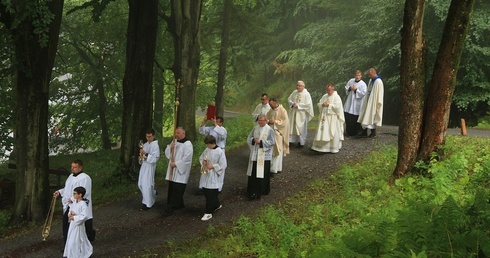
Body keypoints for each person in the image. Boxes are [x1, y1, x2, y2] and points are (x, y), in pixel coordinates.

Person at [54, 159, 95, 248]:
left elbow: (85, 191)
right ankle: (67, 245)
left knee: (80, 225)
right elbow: (67, 188)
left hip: (79, 205)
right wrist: (60, 192)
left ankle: (81, 245)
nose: (72, 169)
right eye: (72, 167)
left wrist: (72, 199)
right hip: (70, 204)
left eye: (75, 167)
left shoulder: (85, 178)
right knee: (67, 225)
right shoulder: (71, 176)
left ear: (80, 167)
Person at [164, 127, 193, 215]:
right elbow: (168, 154)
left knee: (178, 187)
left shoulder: (188, 144)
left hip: (181, 170)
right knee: (172, 186)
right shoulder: (174, 141)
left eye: (178, 133)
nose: (176, 134)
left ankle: (171, 207)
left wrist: (176, 164)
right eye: (175, 132)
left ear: (183, 133)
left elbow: (187, 158)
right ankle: (180, 204)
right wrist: (170, 148)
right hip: (173, 169)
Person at [246, 115, 275, 200]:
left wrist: (261, 142)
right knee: (254, 172)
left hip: (264, 155)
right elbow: (249, 138)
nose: (260, 122)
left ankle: (262, 190)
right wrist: (253, 140)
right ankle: (252, 190)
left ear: (266, 121)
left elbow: (272, 142)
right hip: (255, 153)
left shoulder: (269, 130)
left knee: (262, 173)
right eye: (259, 120)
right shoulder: (255, 128)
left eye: (262, 121)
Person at [199, 135, 227, 221]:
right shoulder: (207, 149)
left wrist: (214, 166)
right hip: (206, 173)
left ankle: (208, 212)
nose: (207, 146)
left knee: (211, 193)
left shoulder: (220, 151)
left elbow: (223, 164)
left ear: (213, 143)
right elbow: (201, 157)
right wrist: (203, 161)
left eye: (208, 144)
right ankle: (216, 204)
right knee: (206, 191)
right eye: (206, 145)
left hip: (214, 174)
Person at [311, 84, 345, 153]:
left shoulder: (336, 97)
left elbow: (338, 108)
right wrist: (322, 104)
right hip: (324, 117)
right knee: (322, 130)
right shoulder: (324, 96)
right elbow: (319, 104)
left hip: (332, 117)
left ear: (333, 89)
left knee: (332, 131)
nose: (328, 92)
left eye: (329, 90)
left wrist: (329, 105)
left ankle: (332, 148)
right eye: (327, 90)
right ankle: (321, 147)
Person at [199, 116, 227, 192]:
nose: (216, 123)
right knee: (206, 166)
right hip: (209, 149)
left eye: (218, 122)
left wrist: (215, 125)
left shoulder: (223, 130)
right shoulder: (211, 128)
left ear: (221, 123)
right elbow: (202, 131)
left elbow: (222, 136)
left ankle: (218, 187)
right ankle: (204, 185)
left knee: (218, 169)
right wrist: (204, 121)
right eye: (215, 121)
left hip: (219, 150)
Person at [63, 186, 93, 258]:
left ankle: (77, 254)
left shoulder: (83, 204)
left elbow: (85, 215)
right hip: (73, 224)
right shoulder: (75, 203)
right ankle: (71, 254)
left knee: (76, 240)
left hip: (78, 225)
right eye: (73, 193)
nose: (73, 195)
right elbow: (71, 209)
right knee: (70, 239)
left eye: (75, 193)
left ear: (80, 195)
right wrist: (70, 215)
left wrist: (75, 217)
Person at [265, 98, 290, 174]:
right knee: (271, 150)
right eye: (269, 105)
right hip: (270, 132)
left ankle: (275, 169)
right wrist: (269, 121)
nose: (270, 106)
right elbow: (267, 118)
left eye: (271, 104)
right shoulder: (271, 110)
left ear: (275, 103)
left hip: (278, 133)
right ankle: (270, 167)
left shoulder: (282, 110)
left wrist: (275, 122)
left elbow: (285, 122)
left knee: (278, 150)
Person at [358, 68, 384, 137]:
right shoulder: (370, 80)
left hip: (374, 101)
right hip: (369, 100)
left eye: (370, 74)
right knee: (366, 114)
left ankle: (373, 132)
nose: (369, 76)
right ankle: (364, 131)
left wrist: (378, 103)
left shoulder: (378, 81)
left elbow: (380, 93)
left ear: (374, 73)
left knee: (372, 116)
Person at [138, 128, 160, 210]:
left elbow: (155, 158)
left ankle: (147, 203)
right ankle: (153, 194)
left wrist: (146, 154)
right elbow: (142, 155)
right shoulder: (145, 144)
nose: (148, 138)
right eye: (147, 136)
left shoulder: (155, 145)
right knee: (140, 184)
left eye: (150, 136)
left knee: (146, 185)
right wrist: (141, 156)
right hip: (144, 166)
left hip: (150, 167)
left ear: (153, 136)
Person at [287, 81, 314, 147]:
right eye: (297, 85)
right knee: (292, 126)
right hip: (294, 113)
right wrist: (292, 103)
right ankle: (291, 140)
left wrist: (298, 106)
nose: (297, 87)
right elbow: (289, 99)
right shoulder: (294, 92)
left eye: (299, 85)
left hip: (301, 114)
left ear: (303, 86)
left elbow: (308, 105)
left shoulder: (306, 94)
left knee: (301, 128)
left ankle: (301, 142)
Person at [344, 70, 367, 136]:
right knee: (349, 116)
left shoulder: (363, 84)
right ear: (354, 75)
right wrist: (349, 88)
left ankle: (357, 132)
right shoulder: (351, 81)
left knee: (356, 117)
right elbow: (346, 88)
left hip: (358, 102)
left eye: (359, 75)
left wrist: (356, 90)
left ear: (361, 76)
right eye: (356, 75)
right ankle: (349, 131)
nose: (357, 77)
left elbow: (363, 93)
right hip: (350, 101)